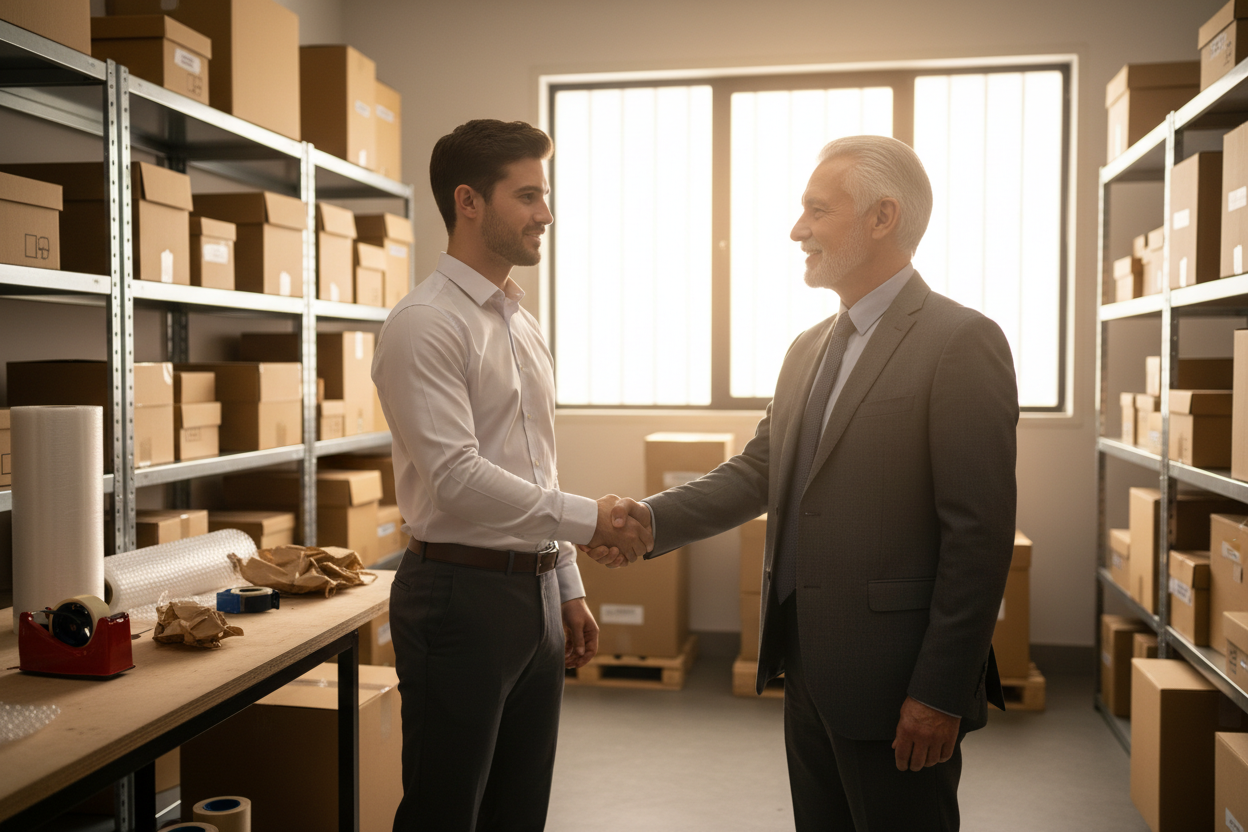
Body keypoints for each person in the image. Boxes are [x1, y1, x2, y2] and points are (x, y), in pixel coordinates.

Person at [599, 135, 1018, 831]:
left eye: (816, 211)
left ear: (883, 218)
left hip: (898, 682)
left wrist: (940, 693)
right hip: (811, 672)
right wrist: (651, 519)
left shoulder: (959, 342)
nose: (798, 230)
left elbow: (978, 538)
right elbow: (762, 469)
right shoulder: (807, 348)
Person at [372, 118, 651, 832]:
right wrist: (592, 520)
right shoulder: (425, 324)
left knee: (519, 811)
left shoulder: (519, 322)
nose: (546, 214)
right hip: (458, 600)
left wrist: (564, 581)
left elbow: (535, 462)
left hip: (532, 600)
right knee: (446, 811)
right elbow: (459, 479)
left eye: (545, 195)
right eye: (527, 196)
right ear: (468, 202)